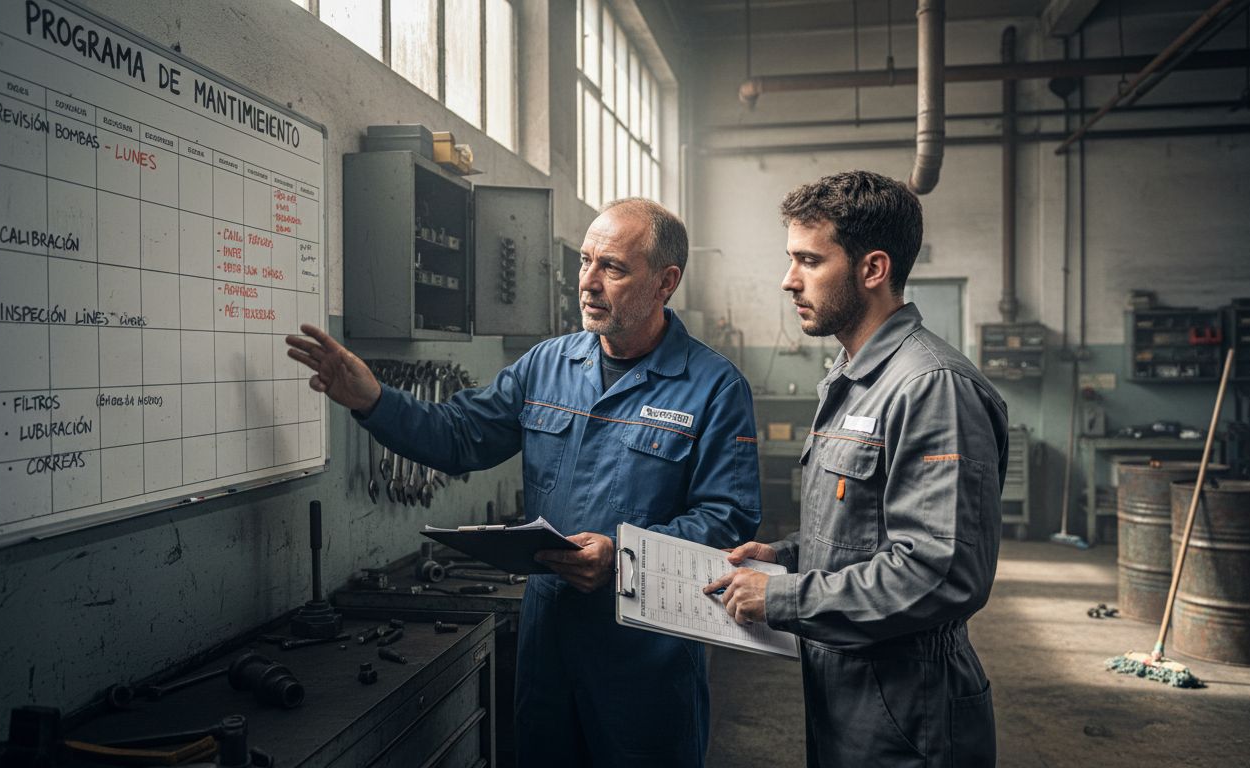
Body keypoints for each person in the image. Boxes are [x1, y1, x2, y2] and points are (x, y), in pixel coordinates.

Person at [286, 198, 761, 767]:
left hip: (646, 655)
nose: (587, 283)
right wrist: (374, 401)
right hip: (549, 645)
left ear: (666, 282)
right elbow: (459, 434)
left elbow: (727, 521)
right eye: (584, 262)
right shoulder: (547, 367)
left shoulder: (713, 387)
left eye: (612, 267)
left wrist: (623, 556)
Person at [703, 171, 1008, 767]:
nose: (787, 280)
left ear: (873, 269)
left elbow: (941, 573)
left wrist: (786, 597)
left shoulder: (930, 387)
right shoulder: (853, 380)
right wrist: (787, 556)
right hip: (847, 690)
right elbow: (868, 532)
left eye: (809, 261)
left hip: (907, 705)